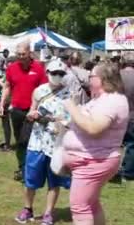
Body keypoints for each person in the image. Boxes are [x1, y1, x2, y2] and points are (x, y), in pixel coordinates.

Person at [63, 63, 129, 225]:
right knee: (91, 204)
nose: (89, 78)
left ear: (102, 79)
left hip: (94, 161)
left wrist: (72, 108)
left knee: (80, 207)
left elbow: (93, 128)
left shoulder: (113, 101)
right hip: (91, 159)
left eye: (91, 75)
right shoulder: (102, 98)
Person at [14, 60, 72, 225]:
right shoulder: (39, 91)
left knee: (54, 181)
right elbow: (32, 110)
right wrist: (33, 115)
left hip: (57, 144)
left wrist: (59, 121)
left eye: (61, 74)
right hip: (37, 142)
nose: (57, 77)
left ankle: (48, 213)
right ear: (47, 73)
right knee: (30, 178)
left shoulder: (69, 94)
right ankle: (27, 208)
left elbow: (70, 118)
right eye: (54, 73)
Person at [0, 41, 48, 181]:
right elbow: (7, 87)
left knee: (29, 141)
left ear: (29, 53)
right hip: (16, 109)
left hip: (32, 111)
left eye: (23, 54)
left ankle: (29, 169)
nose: (21, 57)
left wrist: (40, 109)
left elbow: (44, 90)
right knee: (19, 141)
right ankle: (22, 167)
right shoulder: (12, 68)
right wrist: (2, 104)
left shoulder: (38, 69)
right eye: (18, 54)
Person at [120, 52, 134, 181]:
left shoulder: (117, 76)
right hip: (132, 116)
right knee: (131, 144)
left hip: (116, 114)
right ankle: (128, 172)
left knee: (113, 143)